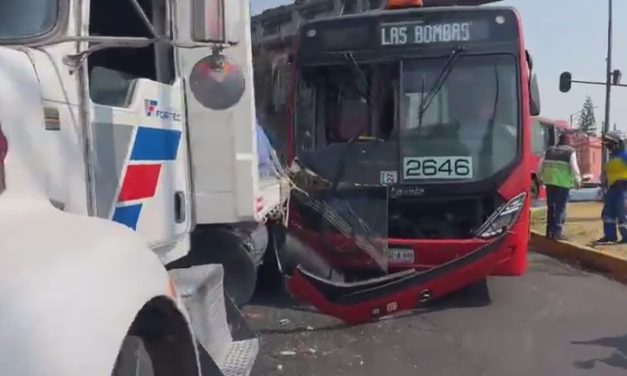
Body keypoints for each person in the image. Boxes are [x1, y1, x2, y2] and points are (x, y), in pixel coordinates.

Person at [538, 132, 581, 240]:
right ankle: (557, 233)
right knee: (560, 208)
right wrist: (578, 180)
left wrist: (539, 178)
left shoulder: (549, 150)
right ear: (568, 141)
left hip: (549, 182)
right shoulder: (570, 152)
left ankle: (549, 232)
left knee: (551, 208)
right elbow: (574, 167)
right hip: (563, 184)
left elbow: (540, 165)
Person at [594, 130, 627, 244]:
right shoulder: (612, 157)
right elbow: (607, 173)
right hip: (611, 189)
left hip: (623, 189)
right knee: (608, 213)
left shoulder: (625, 155)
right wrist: (602, 185)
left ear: (618, 142)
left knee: (622, 213)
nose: (607, 144)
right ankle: (610, 236)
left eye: (610, 142)